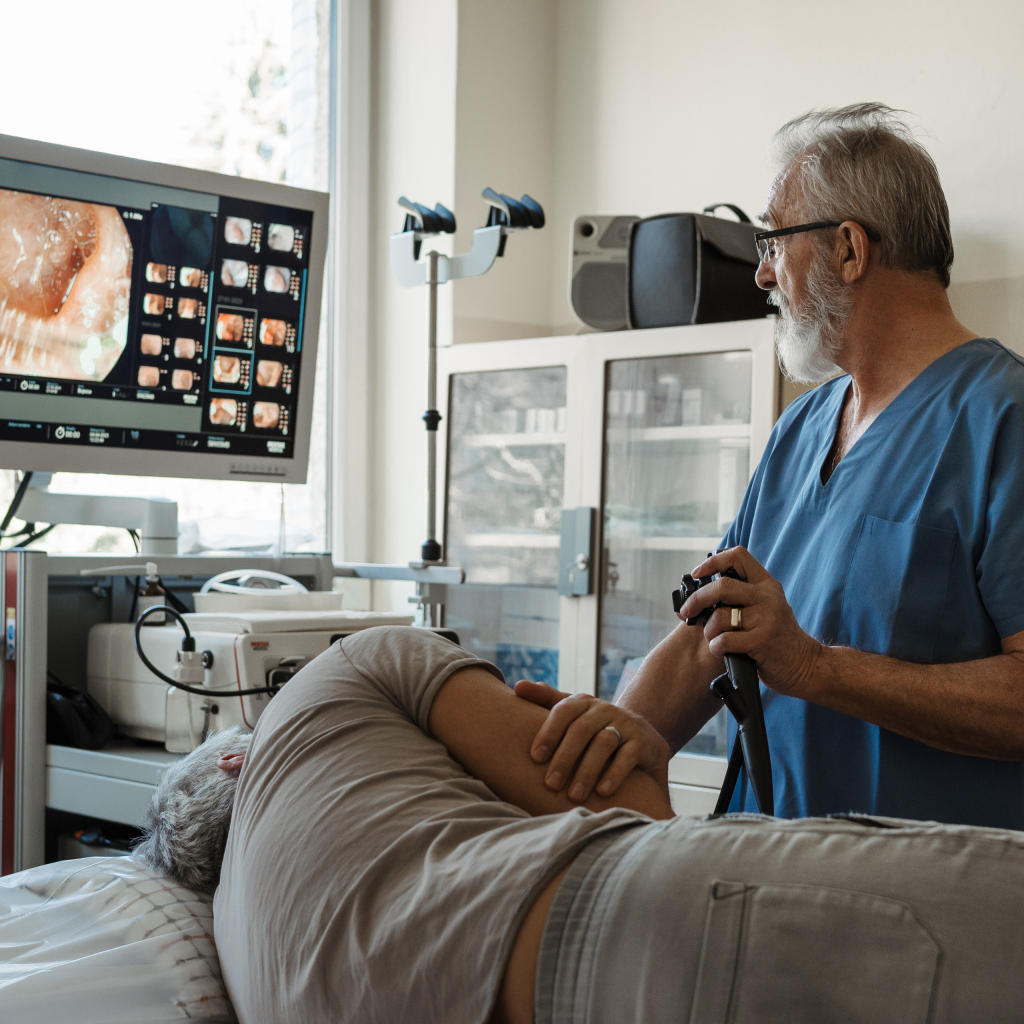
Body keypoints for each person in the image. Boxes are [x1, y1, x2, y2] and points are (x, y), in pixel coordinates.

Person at [521, 103, 1024, 829]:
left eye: (773, 243)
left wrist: (818, 669)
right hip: (768, 870)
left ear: (850, 250)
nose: (761, 276)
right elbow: (717, 626)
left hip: (919, 905)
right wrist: (614, 741)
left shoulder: (1000, 418)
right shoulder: (803, 428)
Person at [136, 627, 1024, 1024]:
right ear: (234, 760)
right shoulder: (331, 682)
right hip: (645, 923)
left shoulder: (249, 963)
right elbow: (610, 790)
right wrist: (635, 754)